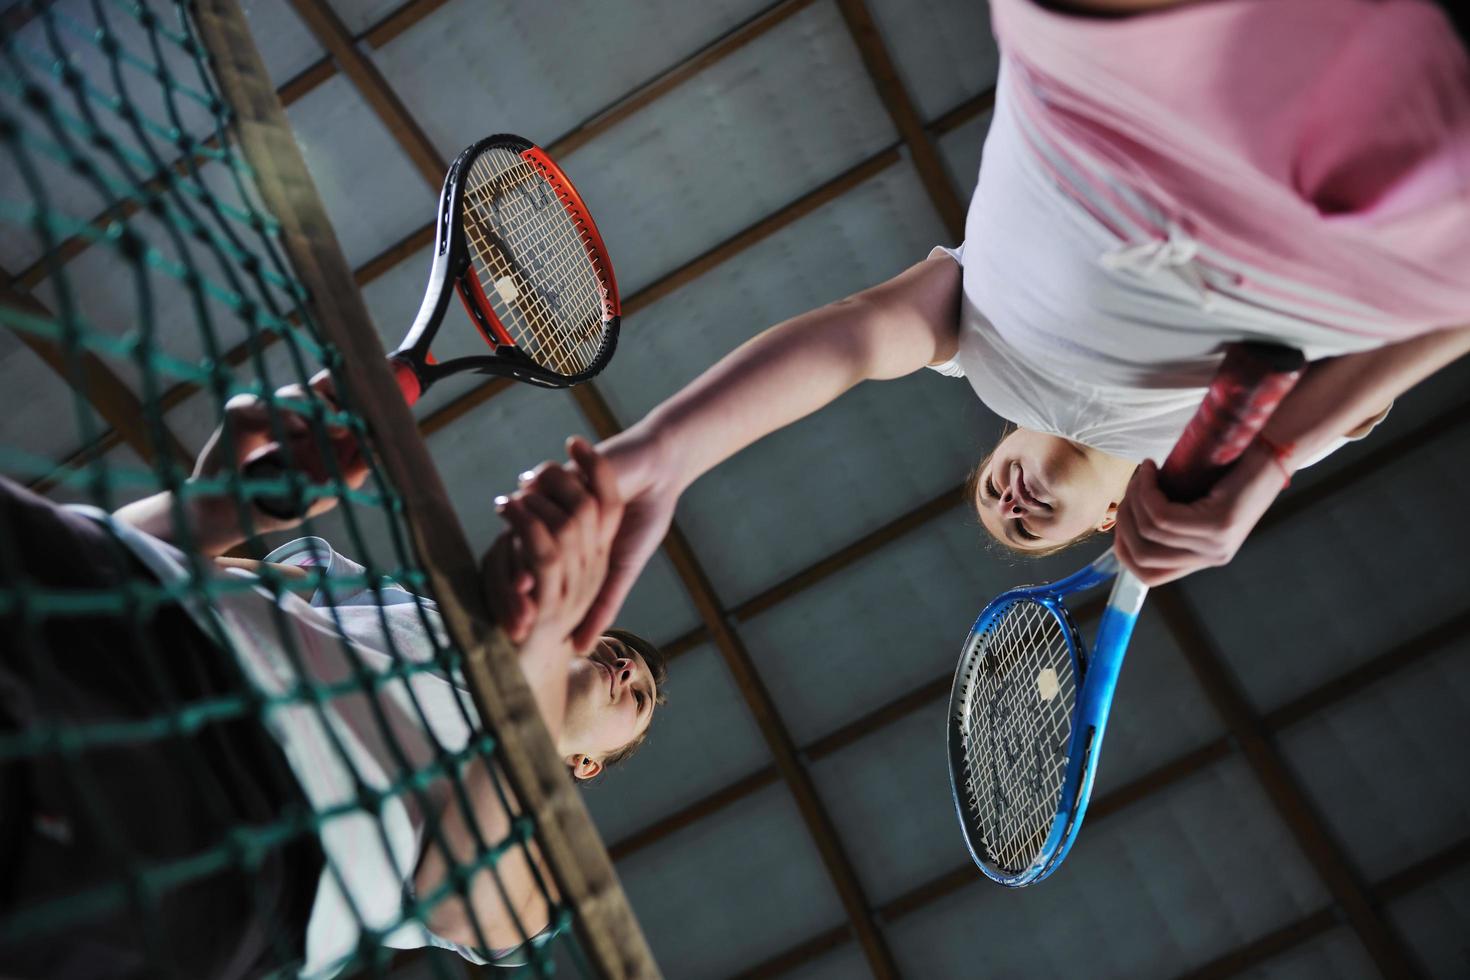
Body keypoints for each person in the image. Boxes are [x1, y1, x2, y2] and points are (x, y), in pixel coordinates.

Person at [499, 0, 1470, 649]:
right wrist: (1268, 463)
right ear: (1104, 522)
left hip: (1114, 80)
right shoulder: (1220, 468)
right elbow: (1423, 332)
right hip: (1400, 225)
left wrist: (669, 449)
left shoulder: (979, 353)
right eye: (1030, 531)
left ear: (995, 438)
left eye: (989, 504)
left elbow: (849, 339)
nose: (1010, 510)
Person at [0, 376, 665, 978]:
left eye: (639, 698)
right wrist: (216, 509)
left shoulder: (548, 852)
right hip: (101, 628)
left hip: (220, 836)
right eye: (618, 650)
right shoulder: (398, 603)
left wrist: (544, 653)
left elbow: (465, 908)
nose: (628, 669)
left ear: (586, 765)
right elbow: (181, 571)